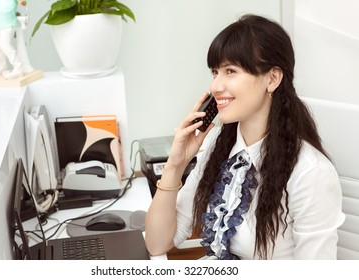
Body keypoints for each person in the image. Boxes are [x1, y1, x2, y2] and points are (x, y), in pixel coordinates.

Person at [145, 14, 345, 260]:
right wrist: (175, 164)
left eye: (231, 71)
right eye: (215, 72)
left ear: (272, 79)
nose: (216, 86)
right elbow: (157, 244)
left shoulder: (310, 172)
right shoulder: (216, 144)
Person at [0, 0, 27, 79]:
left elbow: (23, 2)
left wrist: (22, 2)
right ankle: (1, 65)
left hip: (8, 23)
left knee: (4, 44)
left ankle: (18, 67)